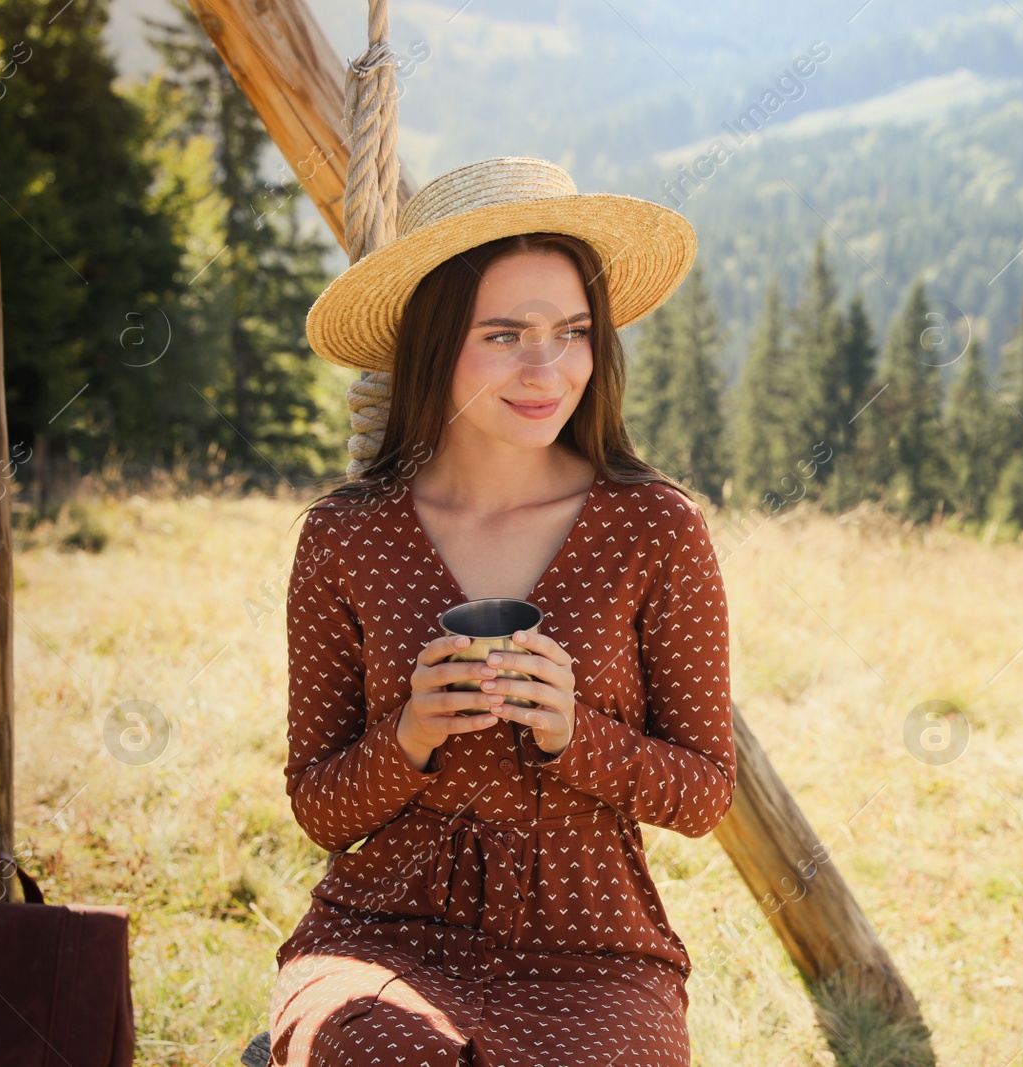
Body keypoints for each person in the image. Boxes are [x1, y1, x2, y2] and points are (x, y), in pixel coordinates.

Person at [267, 156, 734, 1067]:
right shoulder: (345, 536)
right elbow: (319, 809)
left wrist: (577, 733)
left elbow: (706, 791)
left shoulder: (656, 527)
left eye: (571, 332)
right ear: (435, 343)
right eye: (504, 334)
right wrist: (407, 736)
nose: (545, 369)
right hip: (382, 929)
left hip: (593, 943)